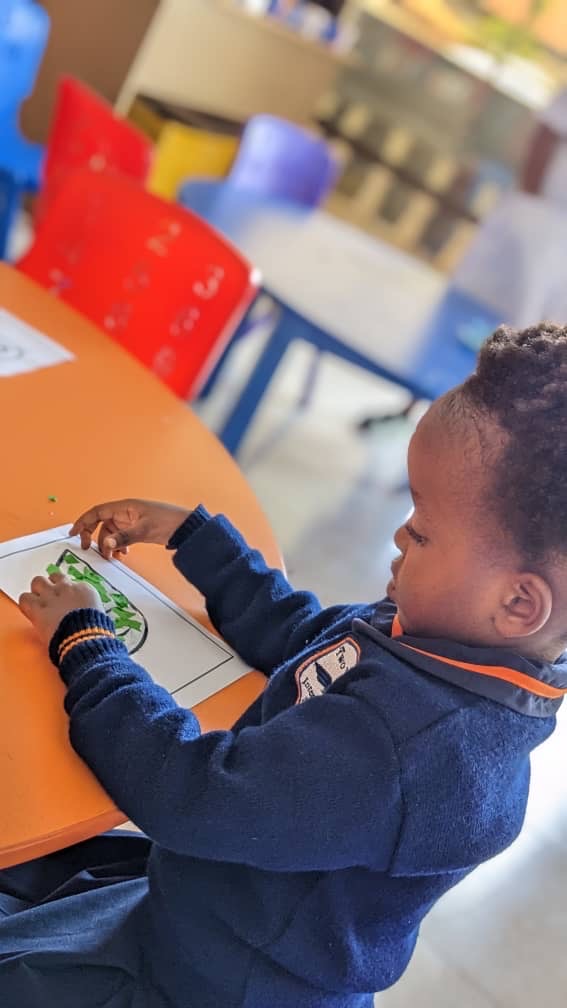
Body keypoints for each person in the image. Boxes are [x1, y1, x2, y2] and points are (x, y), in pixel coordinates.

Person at [2, 321, 567, 1008]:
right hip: (204, 900)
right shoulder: (435, 637)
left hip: (203, 982)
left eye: (421, 530)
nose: (398, 535)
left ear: (517, 603)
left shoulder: (412, 754)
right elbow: (308, 640)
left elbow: (190, 794)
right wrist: (193, 538)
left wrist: (87, 644)